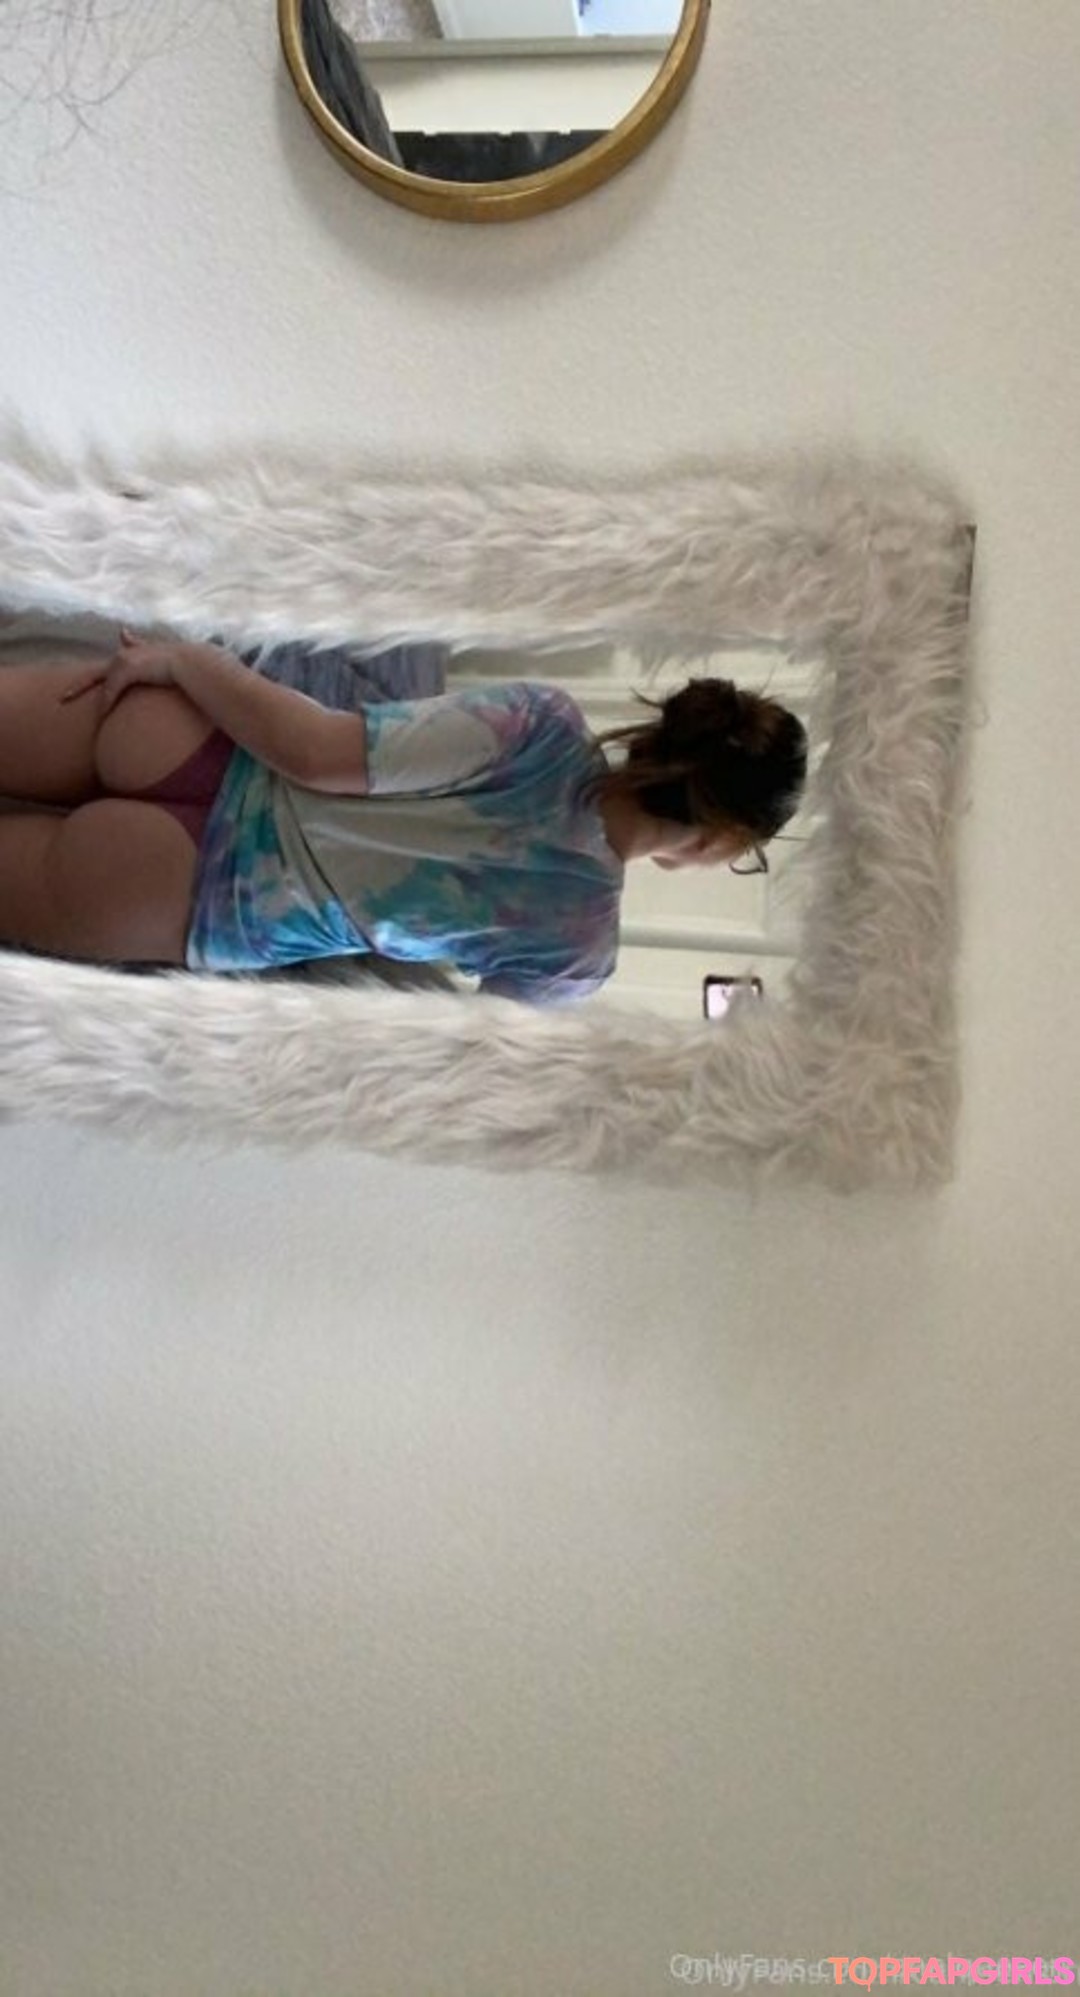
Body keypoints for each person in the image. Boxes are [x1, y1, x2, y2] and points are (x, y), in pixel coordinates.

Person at [0, 631, 807, 1004]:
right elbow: (444, 1052)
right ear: (722, 840)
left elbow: (315, 751)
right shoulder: (578, 952)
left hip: (199, 742)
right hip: (201, 894)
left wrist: (187, 659)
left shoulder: (543, 724)